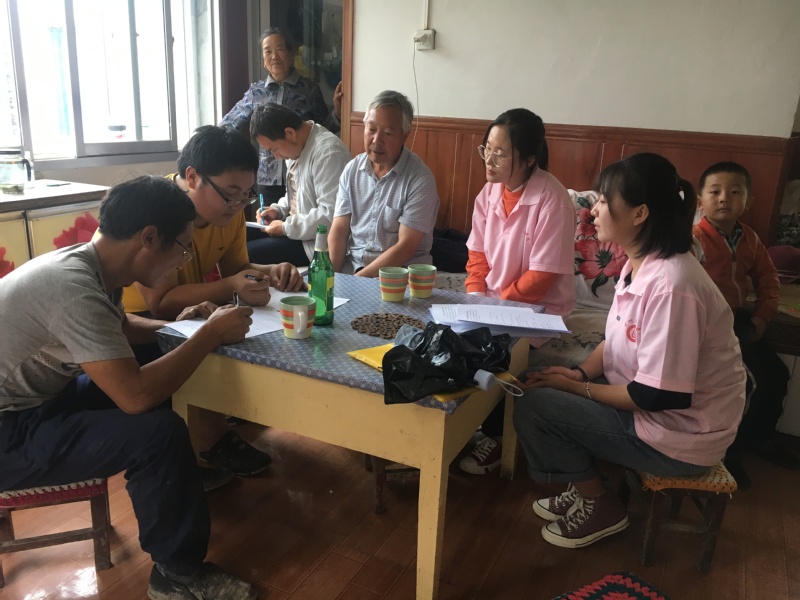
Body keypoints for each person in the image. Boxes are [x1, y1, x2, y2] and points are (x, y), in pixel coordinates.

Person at [0, 176, 257, 600]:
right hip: (10, 432)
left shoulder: (90, 264)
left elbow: (116, 327)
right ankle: (177, 576)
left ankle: (176, 482)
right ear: (149, 238)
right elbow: (135, 397)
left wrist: (177, 327)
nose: (182, 260)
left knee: (156, 357)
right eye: (183, 248)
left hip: (36, 402)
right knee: (157, 432)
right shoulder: (72, 289)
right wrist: (208, 335)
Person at [513, 153, 746, 549]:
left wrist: (576, 389)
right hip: (658, 414)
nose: (594, 210)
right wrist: (579, 373)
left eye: (605, 201)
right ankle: (583, 484)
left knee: (534, 406)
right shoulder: (642, 264)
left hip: (678, 437)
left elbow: (656, 396)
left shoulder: (673, 287)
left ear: (640, 213)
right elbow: (619, 338)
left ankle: (600, 503)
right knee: (538, 382)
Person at [123, 125, 305, 480]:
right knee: (212, 340)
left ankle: (222, 418)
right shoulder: (156, 210)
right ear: (192, 177)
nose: (238, 206)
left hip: (190, 310)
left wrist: (271, 272)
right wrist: (231, 287)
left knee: (253, 332)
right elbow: (161, 303)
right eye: (231, 194)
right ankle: (206, 440)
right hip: (137, 323)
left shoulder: (228, 214)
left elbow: (235, 269)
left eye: (246, 195)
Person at [459, 108, 576, 476]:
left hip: (539, 308)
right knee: (452, 337)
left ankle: (496, 437)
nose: (489, 161)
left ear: (528, 159)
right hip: (494, 301)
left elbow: (542, 275)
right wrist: (475, 298)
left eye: (501, 154)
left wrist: (498, 306)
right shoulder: (488, 193)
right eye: (487, 150)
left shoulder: (553, 199)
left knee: (499, 352)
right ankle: (460, 427)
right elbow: (477, 256)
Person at [693, 161, 795, 489]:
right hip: (707, 324)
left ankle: (762, 438)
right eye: (715, 191)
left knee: (776, 374)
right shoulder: (694, 239)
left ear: (747, 201)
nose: (725, 198)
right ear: (700, 200)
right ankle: (728, 451)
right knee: (744, 383)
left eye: (735, 192)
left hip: (739, 321)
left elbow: (768, 277)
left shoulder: (749, 238)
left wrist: (764, 314)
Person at [220, 27, 343, 205]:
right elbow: (229, 124)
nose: (274, 56)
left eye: (279, 49)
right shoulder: (256, 92)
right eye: (267, 51)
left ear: (291, 54)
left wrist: (337, 114)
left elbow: (322, 130)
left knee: (300, 218)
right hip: (267, 180)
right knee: (268, 219)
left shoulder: (309, 90)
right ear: (263, 60)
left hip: (301, 173)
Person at [328, 90, 439, 277]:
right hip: (354, 266)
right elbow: (339, 230)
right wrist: (330, 277)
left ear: (404, 135)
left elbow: (405, 247)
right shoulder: (352, 170)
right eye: (371, 129)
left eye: (387, 133)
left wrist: (356, 282)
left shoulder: (420, 180)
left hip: (398, 275)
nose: (376, 140)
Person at [248, 102, 351, 266]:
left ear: (289, 133)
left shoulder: (329, 154)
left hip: (315, 243)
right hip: (296, 230)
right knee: (239, 237)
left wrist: (285, 228)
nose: (275, 156)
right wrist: (277, 210)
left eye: (274, 149)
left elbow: (330, 216)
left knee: (246, 253)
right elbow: (296, 194)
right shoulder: (296, 147)